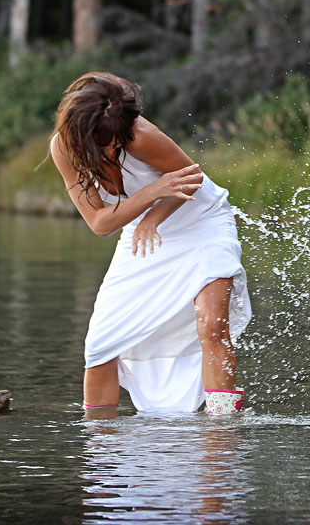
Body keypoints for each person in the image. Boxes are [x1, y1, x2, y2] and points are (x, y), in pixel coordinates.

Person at [49, 72, 251, 415]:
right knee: (101, 344)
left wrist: (153, 216)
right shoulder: (63, 148)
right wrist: (152, 194)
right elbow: (100, 224)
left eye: (117, 141)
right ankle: (101, 446)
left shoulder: (141, 135)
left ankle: (222, 433)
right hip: (143, 234)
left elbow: (192, 179)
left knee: (212, 325)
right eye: (105, 144)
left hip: (201, 223)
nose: (114, 149)